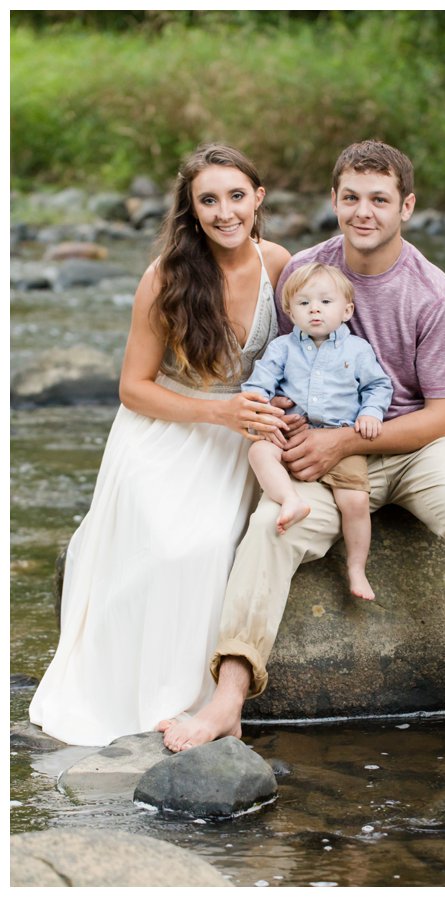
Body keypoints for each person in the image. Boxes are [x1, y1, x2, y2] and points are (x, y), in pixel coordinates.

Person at [158, 140, 445, 752]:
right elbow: (275, 368)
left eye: (379, 200)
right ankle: (228, 700)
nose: (363, 212)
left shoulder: (435, 295)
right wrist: (285, 425)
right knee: (273, 523)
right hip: (323, 460)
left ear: (406, 206)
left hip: (416, 446)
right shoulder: (305, 275)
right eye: (350, 198)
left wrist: (340, 440)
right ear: (334, 201)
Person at [28, 144, 291, 746]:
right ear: (190, 210)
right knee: (180, 548)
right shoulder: (166, 278)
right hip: (170, 429)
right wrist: (219, 411)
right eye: (208, 200)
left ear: (258, 200)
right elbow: (132, 388)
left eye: (235, 196)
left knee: (227, 544)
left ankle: (203, 703)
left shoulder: (279, 263)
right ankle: (165, 703)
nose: (224, 212)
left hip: (246, 434)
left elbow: (313, 342)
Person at [242, 262, 394, 601]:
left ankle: (357, 568)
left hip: (341, 440)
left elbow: (378, 386)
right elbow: (259, 383)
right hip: (294, 436)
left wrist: (371, 412)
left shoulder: (357, 350)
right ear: (289, 311)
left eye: (326, 302)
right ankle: (290, 499)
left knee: (355, 501)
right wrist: (263, 408)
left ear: (346, 310)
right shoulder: (282, 348)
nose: (315, 309)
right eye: (304, 303)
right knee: (258, 451)